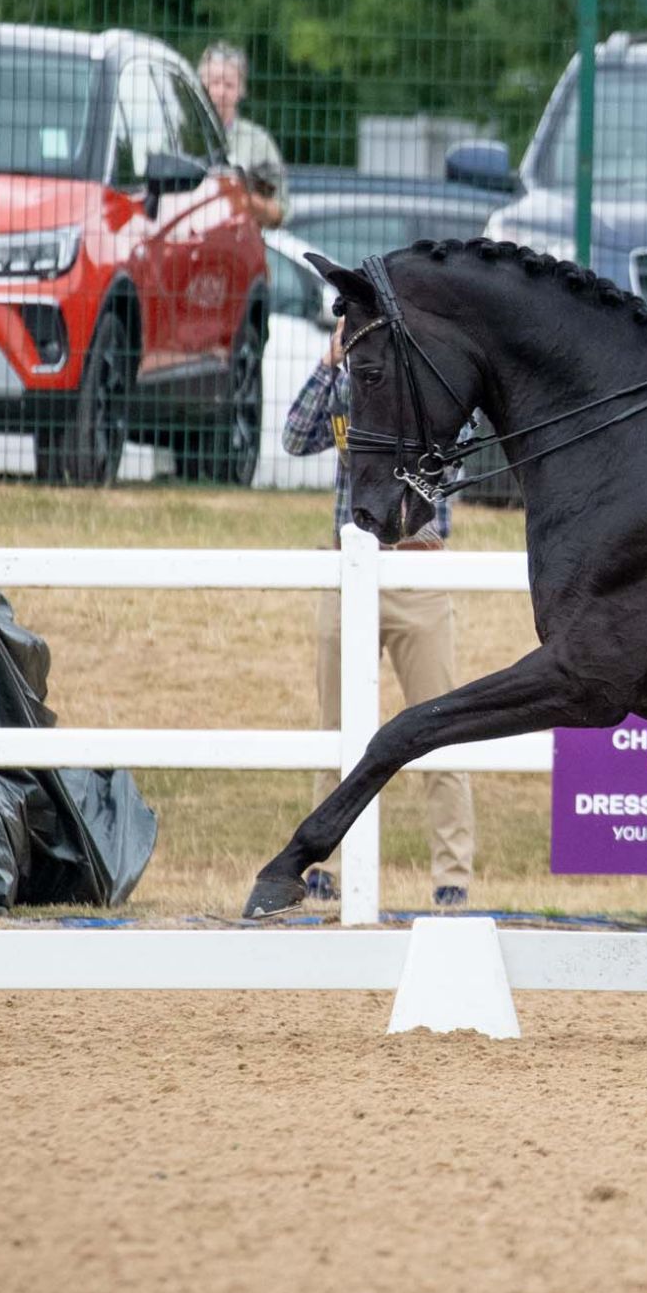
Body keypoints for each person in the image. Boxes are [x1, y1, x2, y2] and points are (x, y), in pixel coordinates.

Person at [281, 315, 478, 908]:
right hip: (350, 567)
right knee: (339, 730)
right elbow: (294, 437)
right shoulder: (345, 384)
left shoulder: (430, 386)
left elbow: (459, 461)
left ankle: (453, 878)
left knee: (440, 725)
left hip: (419, 570)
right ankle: (323, 868)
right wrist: (328, 363)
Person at [199, 40, 287, 229]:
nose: (221, 92)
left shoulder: (259, 143)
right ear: (200, 85)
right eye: (214, 83)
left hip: (240, 248)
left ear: (241, 90)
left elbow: (279, 211)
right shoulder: (180, 135)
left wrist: (243, 198)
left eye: (229, 85)